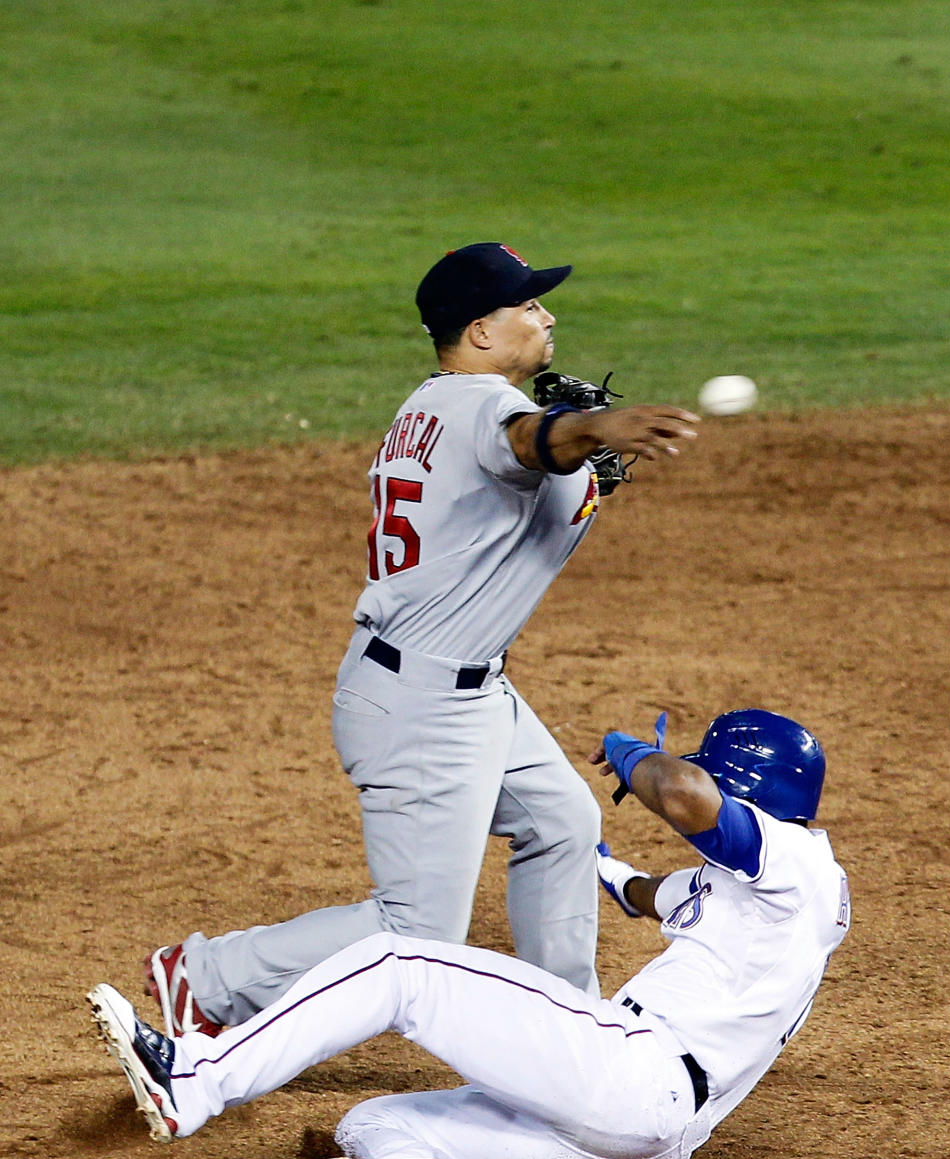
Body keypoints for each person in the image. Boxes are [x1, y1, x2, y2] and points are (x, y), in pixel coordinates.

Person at [144, 242, 698, 1037]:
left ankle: (569, 1034)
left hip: (466, 693)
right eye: (529, 306)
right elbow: (528, 443)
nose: (548, 317)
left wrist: (583, 465)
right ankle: (206, 980)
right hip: (421, 703)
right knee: (417, 932)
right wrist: (596, 427)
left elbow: (521, 483)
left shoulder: (435, 408)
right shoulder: (480, 409)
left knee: (562, 823)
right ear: (479, 331)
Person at [90, 706, 850, 1159]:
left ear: (749, 790)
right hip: (640, 1154)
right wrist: (601, 866)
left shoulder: (793, 862)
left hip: (633, 1073)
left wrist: (636, 756)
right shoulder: (769, 899)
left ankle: (194, 1079)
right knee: (371, 1124)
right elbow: (655, 894)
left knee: (400, 966)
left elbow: (684, 796)